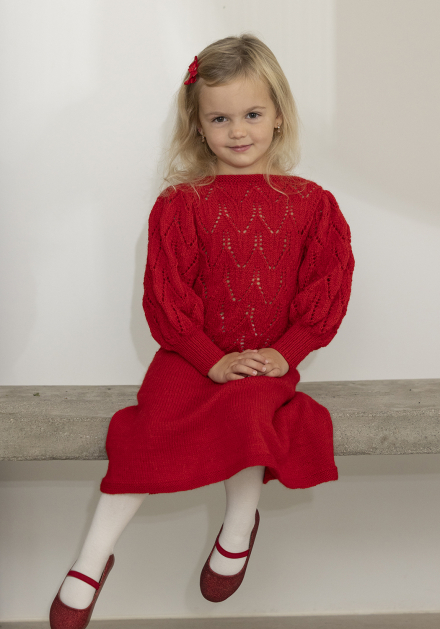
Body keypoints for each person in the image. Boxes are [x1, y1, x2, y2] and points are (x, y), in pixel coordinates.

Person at [49, 33, 355, 627]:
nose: (238, 131)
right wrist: (209, 359)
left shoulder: (312, 204)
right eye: (220, 118)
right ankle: (91, 560)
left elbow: (328, 287)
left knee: (251, 409)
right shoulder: (182, 204)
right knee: (146, 428)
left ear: (279, 115)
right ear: (198, 125)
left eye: (252, 114)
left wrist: (285, 352)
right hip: (191, 358)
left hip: (264, 360)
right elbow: (166, 295)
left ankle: (238, 527)